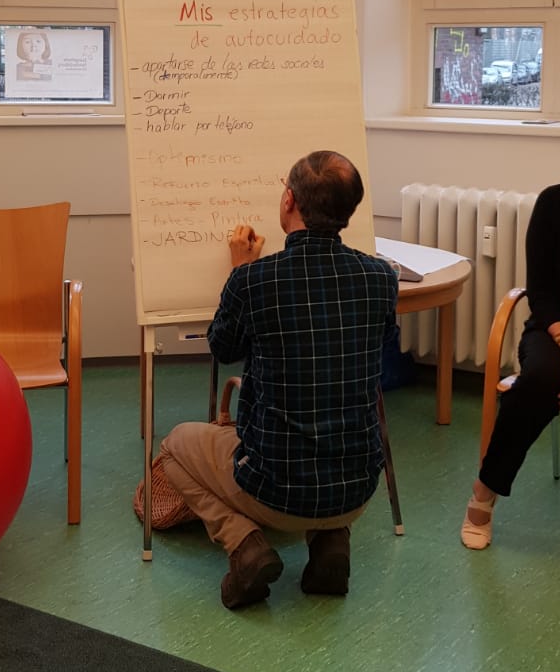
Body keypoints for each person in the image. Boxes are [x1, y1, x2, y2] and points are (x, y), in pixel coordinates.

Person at [160, 151, 399, 609]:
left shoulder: (253, 280)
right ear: (350, 211)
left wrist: (239, 270)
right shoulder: (380, 278)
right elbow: (383, 341)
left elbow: (223, 348)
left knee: (173, 447)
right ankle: (330, 540)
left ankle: (244, 543)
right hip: (357, 489)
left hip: (273, 490)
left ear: (289, 200)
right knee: (330, 421)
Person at [461, 110, 560, 550]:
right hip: (555, 323)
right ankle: (485, 491)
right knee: (541, 379)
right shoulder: (554, 203)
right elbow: (540, 292)